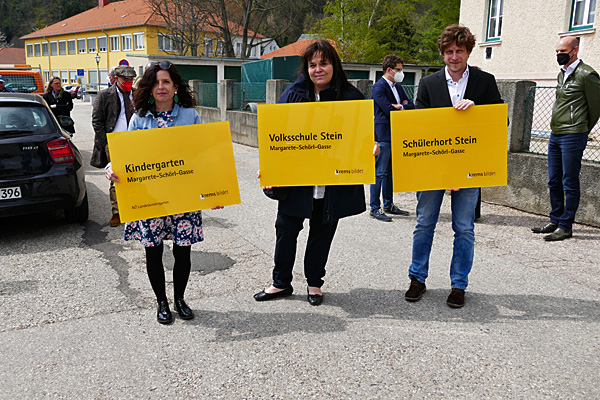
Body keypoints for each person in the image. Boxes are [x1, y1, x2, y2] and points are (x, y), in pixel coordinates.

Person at [254, 40, 372, 306]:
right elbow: (276, 136)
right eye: (312, 65)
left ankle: (314, 284)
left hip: (332, 182)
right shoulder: (293, 94)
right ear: (306, 68)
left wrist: (371, 148)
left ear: (334, 65)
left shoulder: (352, 98)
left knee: (322, 233)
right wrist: (269, 166)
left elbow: (362, 138)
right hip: (297, 181)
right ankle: (280, 282)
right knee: (285, 229)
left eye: (324, 63)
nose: (318, 69)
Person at [105, 61, 222, 325]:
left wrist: (214, 192)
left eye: (166, 82)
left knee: (183, 252)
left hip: (184, 198)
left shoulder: (190, 116)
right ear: (149, 87)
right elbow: (126, 156)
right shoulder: (139, 118)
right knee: (153, 251)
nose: (161, 86)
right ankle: (161, 302)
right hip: (150, 199)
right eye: (156, 82)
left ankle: (180, 298)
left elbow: (202, 157)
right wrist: (111, 168)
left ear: (176, 87)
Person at [404, 24, 503, 308]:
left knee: (464, 228)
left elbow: (500, 122)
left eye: (460, 51)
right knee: (424, 224)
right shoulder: (429, 83)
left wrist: (478, 111)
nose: (454, 56)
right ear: (443, 53)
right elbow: (418, 126)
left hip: (469, 167)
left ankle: (459, 285)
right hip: (434, 166)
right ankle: (417, 278)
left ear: (469, 51)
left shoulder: (485, 82)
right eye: (449, 51)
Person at [531, 36, 600, 241]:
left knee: (569, 181)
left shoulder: (586, 75)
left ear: (575, 50)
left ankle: (566, 225)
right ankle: (555, 219)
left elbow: (596, 106)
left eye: (563, 51)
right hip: (556, 133)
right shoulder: (562, 74)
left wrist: (583, 128)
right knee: (554, 180)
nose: (559, 55)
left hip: (574, 133)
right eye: (557, 51)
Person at [370, 54, 415, 222]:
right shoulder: (379, 87)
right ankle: (375, 207)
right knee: (379, 172)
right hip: (383, 135)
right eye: (399, 70)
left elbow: (411, 106)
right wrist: (398, 107)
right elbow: (387, 109)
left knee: (390, 173)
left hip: (396, 132)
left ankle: (389, 204)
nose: (401, 72)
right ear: (389, 70)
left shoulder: (398, 87)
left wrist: (401, 106)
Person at [91, 65, 137, 227]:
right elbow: (97, 121)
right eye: (125, 80)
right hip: (114, 142)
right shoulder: (105, 95)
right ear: (116, 79)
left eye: (131, 80)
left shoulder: (138, 94)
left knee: (136, 176)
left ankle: (134, 208)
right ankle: (117, 212)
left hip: (135, 141)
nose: (129, 83)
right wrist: (105, 144)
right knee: (116, 178)